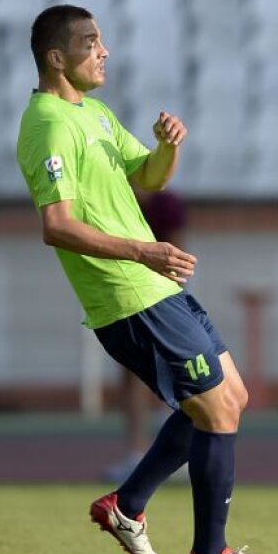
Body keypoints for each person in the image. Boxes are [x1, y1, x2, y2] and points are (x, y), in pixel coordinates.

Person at [16, 5, 272, 554]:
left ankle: (127, 505)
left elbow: (149, 178)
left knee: (231, 396)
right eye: (90, 42)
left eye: (101, 40)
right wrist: (142, 249)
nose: (103, 50)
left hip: (156, 284)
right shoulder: (49, 125)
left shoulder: (97, 115)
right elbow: (55, 225)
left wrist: (168, 147)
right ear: (57, 58)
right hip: (127, 292)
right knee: (216, 408)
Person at [105, 188, 190, 485]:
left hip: (161, 294)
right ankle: (136, 454)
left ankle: (174, 455)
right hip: (126, 295)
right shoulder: (114, 201)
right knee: (131, 375)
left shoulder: (166, 203)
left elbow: (178, 252)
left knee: (175, 373)